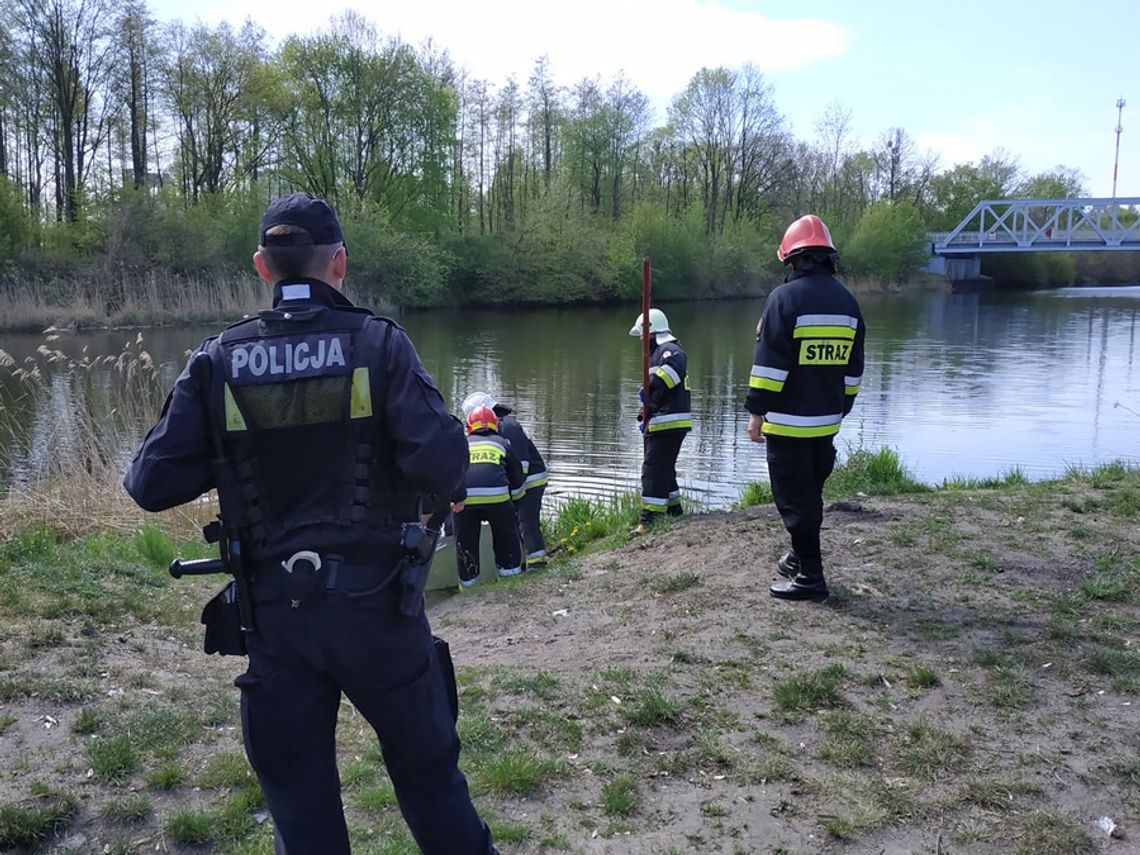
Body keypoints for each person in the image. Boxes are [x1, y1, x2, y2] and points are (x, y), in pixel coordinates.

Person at [122, 193, 496, 854]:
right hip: (380, 611)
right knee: (434, 789)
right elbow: (445, 463)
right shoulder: (380, 345)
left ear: (263, 268)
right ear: (340, 264)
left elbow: (150, 481)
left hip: (275, 623)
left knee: (303, 818)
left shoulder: (218, 361)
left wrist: (234, 448)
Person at [745, 214, 866, 602]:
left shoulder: (784, 300)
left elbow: (769, 366)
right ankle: (798, 558)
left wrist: (756, 411)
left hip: (788, 425)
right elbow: (854, 368)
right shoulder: (848, 302)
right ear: (827, 257)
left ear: (792, 259)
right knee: (809, 495)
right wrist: (840, 407)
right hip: (827, 423)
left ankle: (811, 578)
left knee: (794, 502)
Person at [461, 392, 549, 565]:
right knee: (516, 522)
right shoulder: (499, 427)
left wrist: (512, 491)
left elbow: (521, 465)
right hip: (518, 482)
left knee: (526, 521)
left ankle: (537, 564)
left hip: (530, 481)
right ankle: (523, 561)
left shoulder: (508, 425)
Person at [629, 308, 692, 535]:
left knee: (653, 469)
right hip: (663, 420)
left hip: (671, 421)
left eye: (642, 335)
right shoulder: (657, 352)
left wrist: (651, 385)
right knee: (664, 468)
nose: (640, 341)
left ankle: (650, 520)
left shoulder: (670, 350)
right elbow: (656, 395)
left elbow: (673, 372)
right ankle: (674, 511)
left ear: (652, 332)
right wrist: (643, 413)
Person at [453, 404, 526, 585]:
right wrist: (515, 505)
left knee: (465, 543)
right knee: (506, 539)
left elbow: (450, 474)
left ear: (469, 426)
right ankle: (510, 578)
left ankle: (468, 587)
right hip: (498, 499)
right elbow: (517, 479)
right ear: (495, 424)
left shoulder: (461, 445)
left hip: (465, 501)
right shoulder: (503, 443)